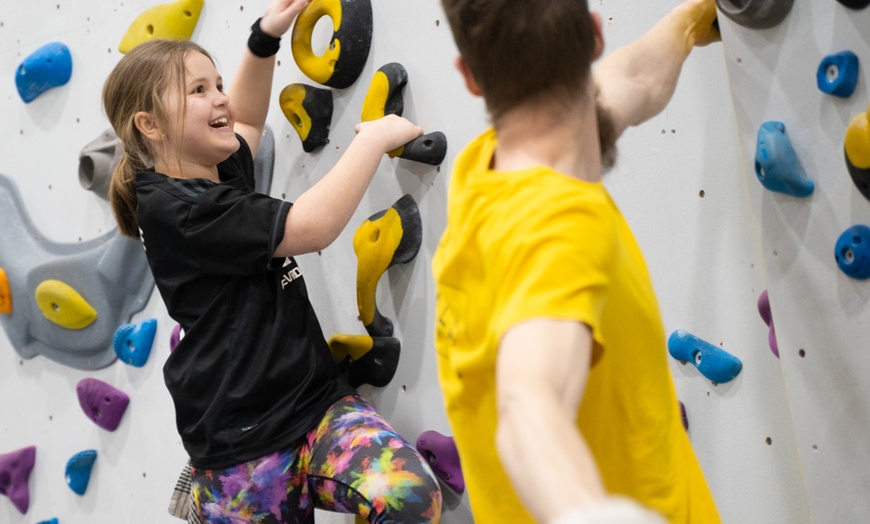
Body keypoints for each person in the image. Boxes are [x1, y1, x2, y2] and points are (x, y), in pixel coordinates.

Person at [101, 0, 442, 522]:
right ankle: (201, 496)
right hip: (242, 450)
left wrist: (263, 39)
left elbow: (251, 123)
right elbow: (312, 227)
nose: (220, 99)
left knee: (408, 497)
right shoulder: (181, 209)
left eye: (217, 84)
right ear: (150, 124)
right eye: (199, 90)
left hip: (316, 407)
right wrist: (372, 139)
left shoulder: (206, 171)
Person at [432, 0, 722, 523]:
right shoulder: (554, 226)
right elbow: (529, 410)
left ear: (471, 77)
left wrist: (692, 19)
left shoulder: (485, 171)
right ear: (593, 34)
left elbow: (632, 79)